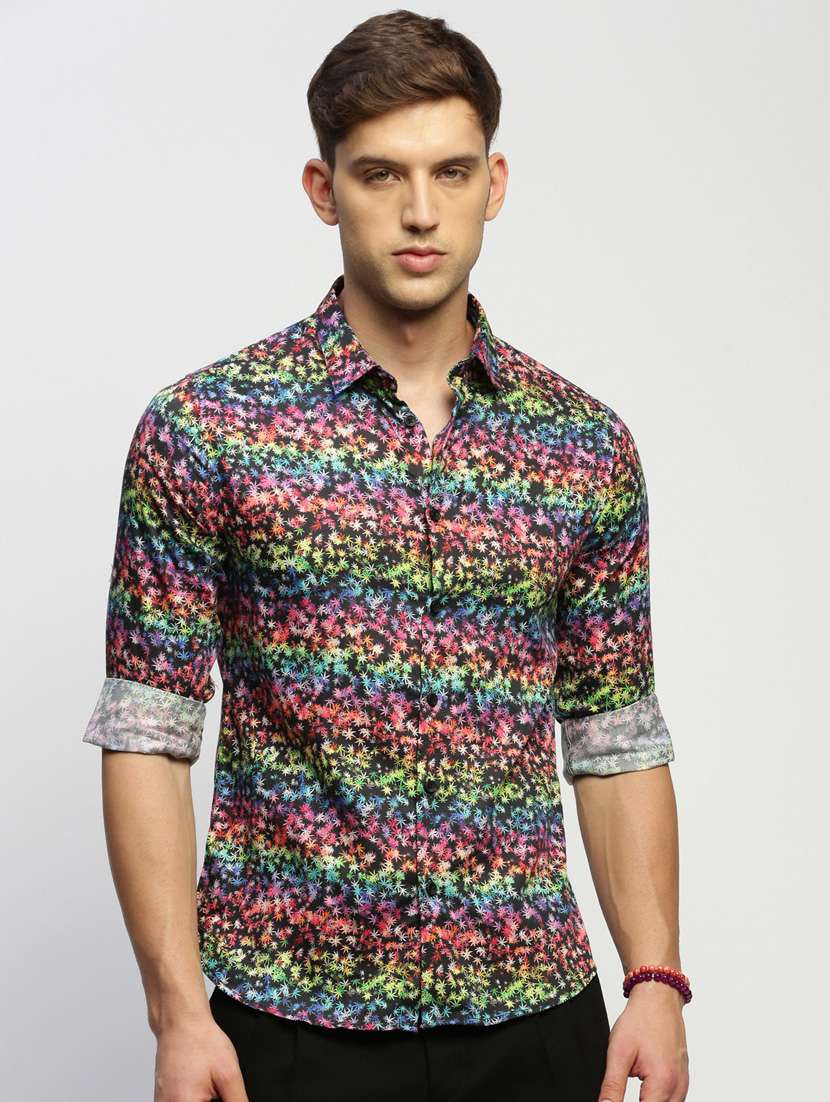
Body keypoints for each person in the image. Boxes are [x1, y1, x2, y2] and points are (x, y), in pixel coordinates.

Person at [82, 9, 690, 1102]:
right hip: (284, 1028)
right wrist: (177, 1011)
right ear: (324, 190)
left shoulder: (582, 447)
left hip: (536, 1022)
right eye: (380, 174)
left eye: (450, 171)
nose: (420, 210)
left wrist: (653, 979)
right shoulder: (208, 429)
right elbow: (146, 734)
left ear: (494, 183)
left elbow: (615, 735)